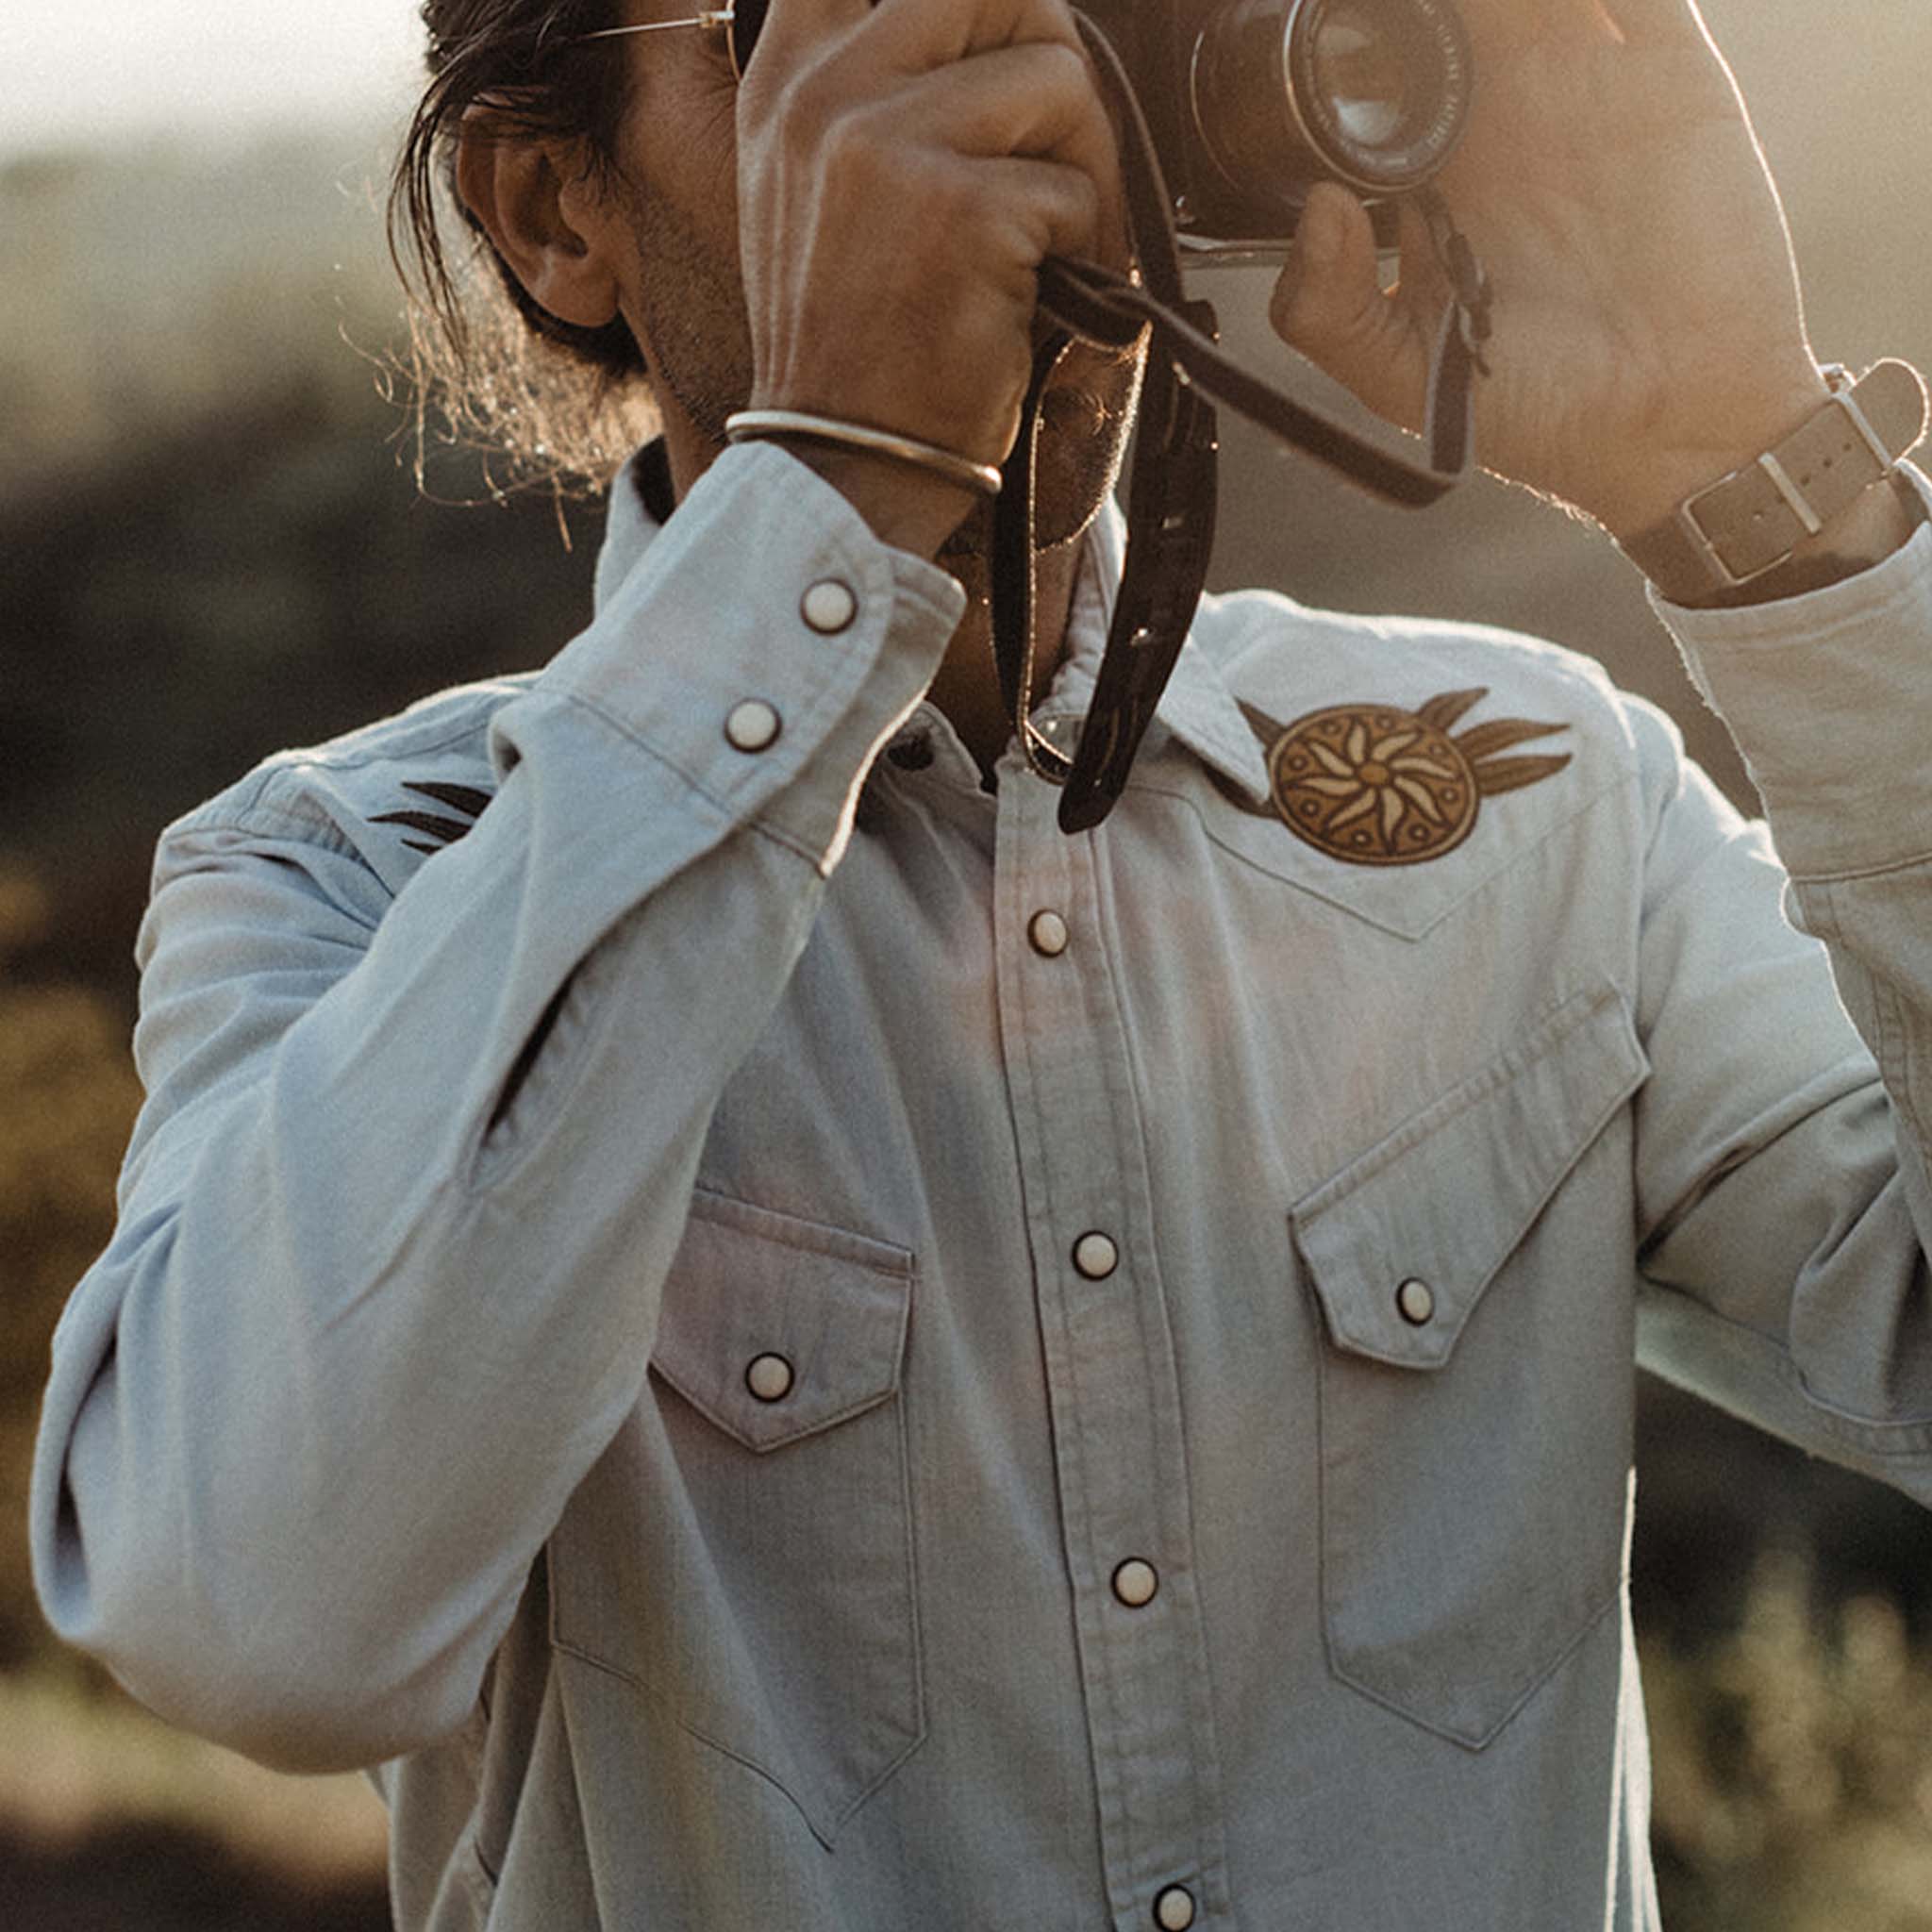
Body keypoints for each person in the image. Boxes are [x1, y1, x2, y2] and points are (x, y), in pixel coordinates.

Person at [29, 0, 1932, 1924]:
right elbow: (259, 1614)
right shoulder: (355, 881)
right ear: (549, 210)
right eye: (845, 21)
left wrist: (1756, 480)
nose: (1031, 114)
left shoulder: (1530, 792)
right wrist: (840, 498)